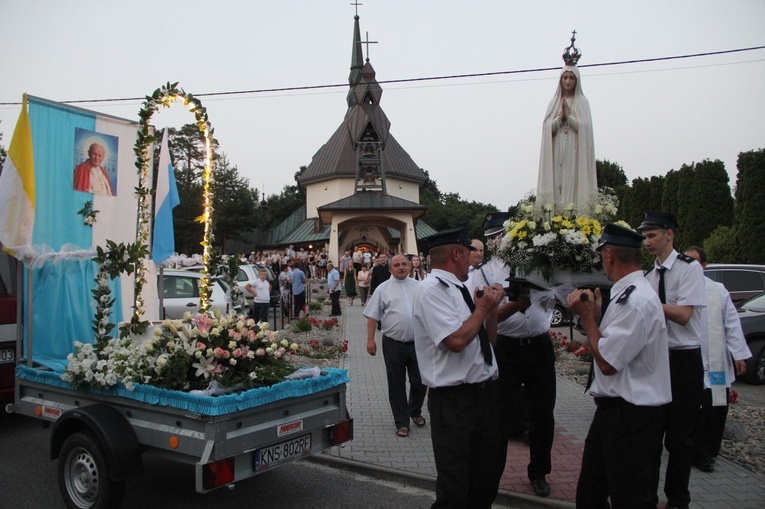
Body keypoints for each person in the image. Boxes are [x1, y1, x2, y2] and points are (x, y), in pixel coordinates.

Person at [567, 223, 671, 507]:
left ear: (610, 255)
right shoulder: (628, 293)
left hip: (632, 418)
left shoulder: (634, 299)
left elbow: (608, 363)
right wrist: (598, 317)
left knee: (631, 498)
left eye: (602, 256)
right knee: (590, 494)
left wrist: (588, 318)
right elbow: (613, 343)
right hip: (615, 414)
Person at [413, 227, 506, 509]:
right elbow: (455, 341)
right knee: (455, 488)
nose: (473, 260)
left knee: (485, 479)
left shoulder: (462, 287)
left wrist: (490, 310)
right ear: (456, 253)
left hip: (484, 395)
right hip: (454, 401)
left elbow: (487, 341)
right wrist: (482, 309)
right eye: (469, 253)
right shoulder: (431, 290)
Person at [472, 212, 556, 497]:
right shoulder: (482, 273)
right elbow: (481, 318)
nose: (501, 241)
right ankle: (491, 475)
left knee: (543, 413)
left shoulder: (535, 265)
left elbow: (549, 302)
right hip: (506, 347)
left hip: (539, 344)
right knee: (499, 416)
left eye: (505, 235)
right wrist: (515, 304)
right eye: (495, 237)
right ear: (490, 242)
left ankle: (540, 472)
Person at [638, 212, 706, 509]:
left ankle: (678, 500)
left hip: (683, 360)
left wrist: (649, 303)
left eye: (652, 235)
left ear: (670, 234)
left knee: (679, 439)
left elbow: (684, 314)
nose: (647, 242)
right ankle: (647, 497)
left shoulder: (688, 269)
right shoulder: (648, 276)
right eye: (645, 236)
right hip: (657, 358)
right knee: (651, 436)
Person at [685, 246, 751, 473]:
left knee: (715, 410)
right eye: (687, 261)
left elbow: (731, 323)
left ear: (703, 266)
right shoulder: (677, 288)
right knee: (689, 409)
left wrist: (739, 354)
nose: (690, 265)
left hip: (715, 361)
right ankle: (686, 449)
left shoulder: (717, 290)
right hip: (689, 360)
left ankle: (706, 454)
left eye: (695, 262)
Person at [364, 254, 426, 437]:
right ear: (390, 269)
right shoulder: (383, 289)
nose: (401, 267)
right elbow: (373, 316)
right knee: (396, 383)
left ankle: (415, 410)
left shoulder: (418, 287)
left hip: (417, 344)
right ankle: (402, 422)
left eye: (404, 264)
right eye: (397, 265)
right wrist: (370, 340)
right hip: (393, 343)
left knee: (420, 381)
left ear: (409, 266)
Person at [537, 33, 596, 211]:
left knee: (571, 181)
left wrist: (569, 118)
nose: (568, 81)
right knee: (556, 183)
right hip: (556, 151)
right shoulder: (553, 103)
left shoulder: (582, 102)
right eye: (565, 78)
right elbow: (546, 128)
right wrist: (558, 119)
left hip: (574, 151)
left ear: (576, 81)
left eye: (571, 78)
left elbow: (586, 129)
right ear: (560, 80)